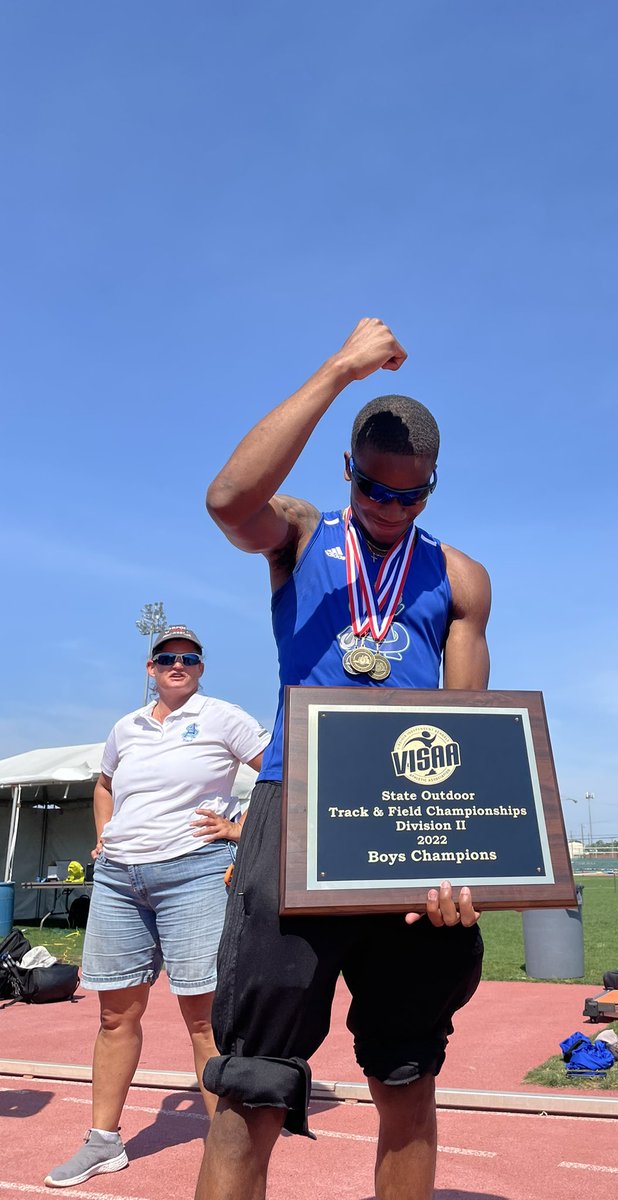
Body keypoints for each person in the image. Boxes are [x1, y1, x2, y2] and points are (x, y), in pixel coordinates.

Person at [195, 318, 492, 1200]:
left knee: (407, 1073)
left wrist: (466, 856)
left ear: (431, 490)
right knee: (251, 1084)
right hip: (297, 814)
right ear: (349, 471)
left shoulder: (463, 578)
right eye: (373, 488)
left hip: (408, 834)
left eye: (410, 496)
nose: (389, 508)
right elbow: (226, 502)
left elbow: (469, 733)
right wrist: (339, 369)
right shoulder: (297, 534)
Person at [45, 625, 270, 1189]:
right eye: (167, 657)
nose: (178, 665)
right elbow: (104, 784)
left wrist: (241, 833)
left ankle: (227, 1151)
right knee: (115, 1015)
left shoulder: (224, 717)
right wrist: (104, 834)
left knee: (204, 1018)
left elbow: (280, 774)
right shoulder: (127, 726)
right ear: (151, 667)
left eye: (189, 659)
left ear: (200, 668)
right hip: (120, 878)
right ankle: (103, 1143)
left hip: (193, 870)